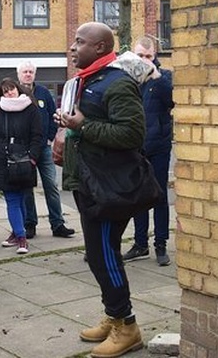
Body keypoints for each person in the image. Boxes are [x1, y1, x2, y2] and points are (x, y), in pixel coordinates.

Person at [57, 22, 147, 358]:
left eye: (79, 42)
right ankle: (113, 316)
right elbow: (88, 125)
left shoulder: (117, 83)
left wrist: (83, 125)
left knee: (103, 254)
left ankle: (128, 327)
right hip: (89, 182)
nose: (72, 47)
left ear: (99, 48)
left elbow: (132, 135)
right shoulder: (86, 81)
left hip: (111, 186)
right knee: (98, 254)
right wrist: (67, 129)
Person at [123, 36, 174, 266]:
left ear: (155, 56)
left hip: (159, 145)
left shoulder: (164, 78)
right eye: (140, 56)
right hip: (135, 146)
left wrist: (157, 76)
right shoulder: (129, 78)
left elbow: (171, 100)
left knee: (159, 196)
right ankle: (140, 243)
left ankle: (161, 244)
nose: (144, 60)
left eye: (148, 56)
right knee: (137, 197)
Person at [17, 60, 75, 239]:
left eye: (30, 71)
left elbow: (52, 116)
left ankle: (57, 224)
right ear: (18, 74)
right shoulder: (14, 93)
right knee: (27, 189)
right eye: (25, 71)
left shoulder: (43, 93)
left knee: (51, 186)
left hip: (43, 149)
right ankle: (30, 225)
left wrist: (50, 138)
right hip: (24, 150)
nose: (28, 74)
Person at [0, 78, 43, 254]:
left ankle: (16, 232)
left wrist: (33, 158)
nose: (9, 93)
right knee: (12, 198)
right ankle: (21, 237)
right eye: (5, 91)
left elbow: (37, 135)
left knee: (21, 198)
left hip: (24, 159)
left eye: (11, 89)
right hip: (3, 159)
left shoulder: (30, 108)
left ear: (18, 89)